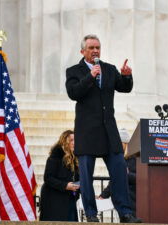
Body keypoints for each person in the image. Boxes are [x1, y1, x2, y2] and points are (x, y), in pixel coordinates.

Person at [65, 34, 141, 223]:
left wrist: (127, 75)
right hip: (87, 132)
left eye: (98, 47)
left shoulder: (109, 69)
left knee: (119, 171)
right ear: (83, 51)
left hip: (108, 131)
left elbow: (124, 87)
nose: (95, 51)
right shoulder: (74, 71)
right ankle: (91, 214)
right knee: (86, 176)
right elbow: (73, 93)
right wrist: (90, 77)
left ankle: (125, 212)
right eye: (91, 48)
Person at [39, 130, 80, 221]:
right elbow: (48, 178)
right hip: (54, 202)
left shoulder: (76, 158)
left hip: (70, 200)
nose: (74, 143)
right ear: (64, 142)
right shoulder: (55, 157)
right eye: (71, 140)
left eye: (75, 140)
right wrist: (65, 186)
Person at [98, 128, 137, 216]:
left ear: (125, 143)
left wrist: (126, 174)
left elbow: (139, 178)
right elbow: (114, 179)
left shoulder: (134, 159)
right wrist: (103, 195)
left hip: (133, 201)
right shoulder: (119, 159)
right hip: (123, 202)